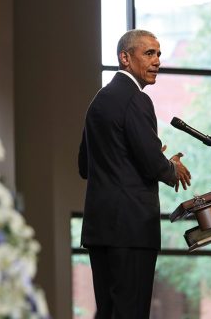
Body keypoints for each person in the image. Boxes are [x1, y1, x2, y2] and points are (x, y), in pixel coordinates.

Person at [78, 29, 192, 318]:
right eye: (149, 53)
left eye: (158, 54)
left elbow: (84, 165)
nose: (157, 61)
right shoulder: (137, 99)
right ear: (125, 58)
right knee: (131, 312)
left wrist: (139, 154)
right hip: (131, 229)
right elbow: (152, 164)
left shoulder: (99, 101)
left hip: (100, 229)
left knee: (109, 312)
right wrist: (171, 167)